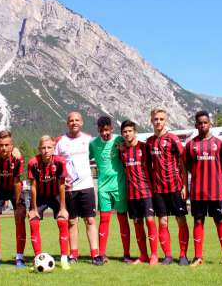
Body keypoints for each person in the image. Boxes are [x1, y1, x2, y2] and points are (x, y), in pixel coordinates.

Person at [184, 110, 222, 267]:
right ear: (196, 125)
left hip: (215, 191)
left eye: (205, 122)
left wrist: (213, 176)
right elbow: (187, 166)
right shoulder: (191, 145)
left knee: (220, 221)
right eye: (200, 123)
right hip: (197, 192)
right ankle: (198, 257)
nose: (203, 125)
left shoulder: (218, 143)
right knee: (198, 222)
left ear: (210, 123)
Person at [55, 112, 103, 265]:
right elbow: (53, 164)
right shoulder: (60, 142)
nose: (74, 122)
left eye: (77, 120)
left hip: (87, 186)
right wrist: (61, 179)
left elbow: (102, 153)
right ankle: (73, 254)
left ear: (81, 122)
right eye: (71, 120)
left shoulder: (89, 140)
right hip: (69, 189)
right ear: (67, 123)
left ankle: (95, 254)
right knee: (72, 221)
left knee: (90, 220)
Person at [146, 107, 190, 266]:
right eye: (155, 119)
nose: (158, 122)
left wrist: (185, 185)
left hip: (175, 187)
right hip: (158, 190)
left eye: (161, 119)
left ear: (166, 120)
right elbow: (148, 166)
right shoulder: (149, 142)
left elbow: (183, 164)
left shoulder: (173, 139)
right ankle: (168, 255)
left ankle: (183, 255)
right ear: (151, 120)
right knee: (163, 222)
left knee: (181, 220)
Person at [89, 116, 131, 263]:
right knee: (104, 220)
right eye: (102, 131)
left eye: (107, 130)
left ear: (112, 128)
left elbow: (133, 148)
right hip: (103, 188)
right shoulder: (93, 144)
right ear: (98, 130)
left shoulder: (119, 140)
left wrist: (124, 149)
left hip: (120, 187)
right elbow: (83, 158)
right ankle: (102, 254)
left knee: (122, 219)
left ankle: (126, 254)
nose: (105, 133)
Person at [27, 135, 71, 270]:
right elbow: (33, 187)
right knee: (33, 222)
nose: (46, 150)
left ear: (53, 148)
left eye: (49, 147)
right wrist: (33, 208)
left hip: (56, 196)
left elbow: (62, 185)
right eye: (43, 148)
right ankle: (37, 258)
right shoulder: (33, 163)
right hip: (40, 196)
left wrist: (63, 208)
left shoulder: (60, 162)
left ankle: (64, 259)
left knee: (62, 221)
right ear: (39, 149)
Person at [119, 120, 159, 265]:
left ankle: (154, 254)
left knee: (149, 220)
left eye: (130, 131)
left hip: (146, 191)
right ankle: (143, 255)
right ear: (122, 134)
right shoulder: (121, 151)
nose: (127, 133)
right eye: (124, 131)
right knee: (137, 223)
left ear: (135, 132)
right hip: (131, 193)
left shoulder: (145, 147)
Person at [0, 130, 27, 269]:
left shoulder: (17, 159)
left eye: (7, 145)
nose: (3, 148)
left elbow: (17, 182)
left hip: (14, 189)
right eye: (1, 145)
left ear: (11, 146)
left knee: (20, 217)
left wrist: (17, 205)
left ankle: (20, 258)